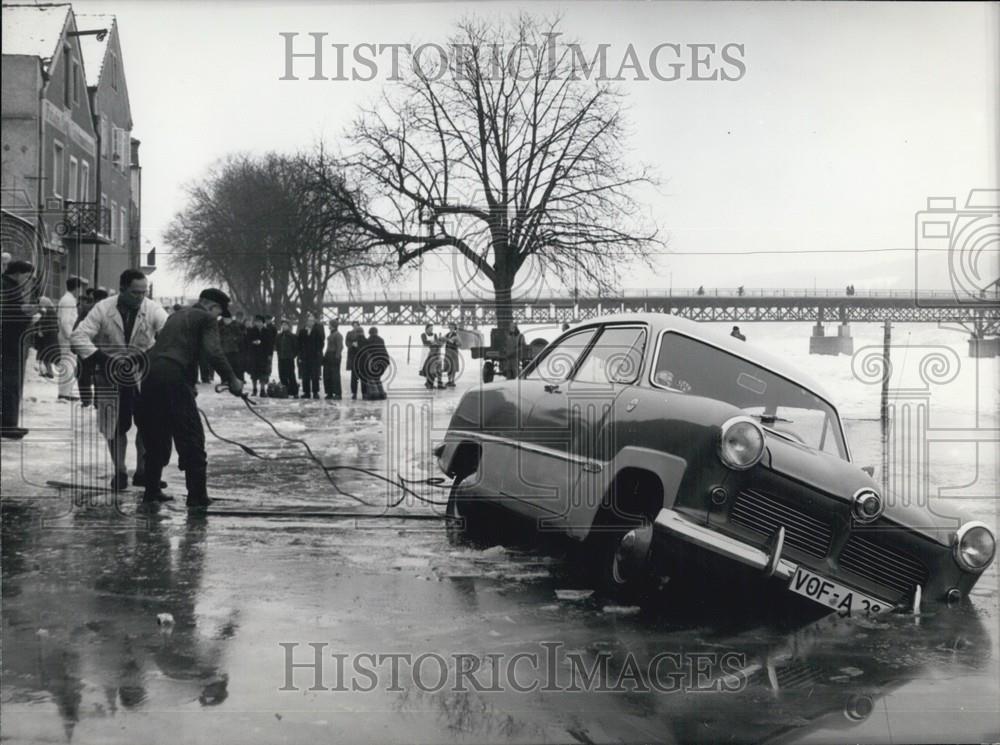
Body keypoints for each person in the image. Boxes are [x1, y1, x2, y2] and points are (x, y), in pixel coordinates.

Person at [136, 289, 243, 510]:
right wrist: (232, 378)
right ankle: (196, 498)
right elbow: (213, 351)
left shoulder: (176, 316)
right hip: (173, 377)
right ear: (210, 306)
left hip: (150, 375)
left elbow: (171, 348)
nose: (218, 318)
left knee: (157, 435)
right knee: (191, 437)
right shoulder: (205, 318)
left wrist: (188, 382)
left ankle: (152, 491)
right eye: (219, 312)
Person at [73, 269, 170, 492]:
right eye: (135, 292)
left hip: (142, 373)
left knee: (147, 424)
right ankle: (120, 471)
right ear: (123, 289)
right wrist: (103, 359)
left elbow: (168, 333)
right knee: (114, 426)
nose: (140, 297)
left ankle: (143, 471)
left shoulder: (152, 309)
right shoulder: (103, 308)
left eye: (143, 292)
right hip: (109, 375)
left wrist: (145, 356)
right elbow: (78, 336)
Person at [1, 260, 38, 439]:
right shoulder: (10, 289)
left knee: (10, 383)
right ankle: (8, 424)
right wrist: (30, 318)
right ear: (17, 273)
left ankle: (9, 423)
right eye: (27, 276)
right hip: (9, 343)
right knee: (10, 383)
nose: (29, 280)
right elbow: (11, 318)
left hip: (9, 342)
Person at [57, 276, 87, 401]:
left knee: (69, 363)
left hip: (67, 335)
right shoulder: (68, 301)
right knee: (68, 363)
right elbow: (65, 321)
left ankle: (66, 391)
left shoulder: (68, 299)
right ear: (77, 288)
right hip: (67, 336)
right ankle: (64, 393)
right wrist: (70, 337)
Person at [296, 312, 324, 399]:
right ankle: (306, 392)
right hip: (304, 357)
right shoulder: (302, 331)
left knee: (315, 375)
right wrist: (300, 355)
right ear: (306, 322)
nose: (310, 322)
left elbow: (321, 343)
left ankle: (315, 392)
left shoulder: (317, 331)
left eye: (312, 321)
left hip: (314, 357)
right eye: (309, 321)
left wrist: (317, 352)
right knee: (305, 375)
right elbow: (299, 344)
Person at [356, 327, 389, 400]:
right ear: (376, 332)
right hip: (385, 360)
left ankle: (375, 394)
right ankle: (381, 394)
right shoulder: (381, 339)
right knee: (377, 377)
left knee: (372, 377)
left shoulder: (369, 340)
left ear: (369, 333)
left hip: (375, 361)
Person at [33, 297, 59, 379]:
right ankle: (46, 371)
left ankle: (49, 372)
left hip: (49, 336)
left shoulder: (49, 311)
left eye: (40, 303)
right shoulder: (50, 310)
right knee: (46, 354)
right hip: (49, 335)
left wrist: (42, 331)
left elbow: (48, 323)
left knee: (47, 354)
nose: (39, 305)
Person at [275, 319, 299, 397]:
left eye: (285, 325)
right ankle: (285, 391)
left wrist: (293, 355)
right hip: (281, 358)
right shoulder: (279, 336)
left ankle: (295, 392)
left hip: (289, 358)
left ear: (289, 326)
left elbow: (296, 347)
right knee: (282, 375)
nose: (284, 326)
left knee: (291, 375)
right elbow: (277, 346)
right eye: (283, 325)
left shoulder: (292, 336)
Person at [247, 315, 269, 397]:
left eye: (260, 322)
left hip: (263, 355)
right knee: (254, 374)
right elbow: (247, 342)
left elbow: (270, 344)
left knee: (263, 373)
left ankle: (262, 390)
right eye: (257, 322)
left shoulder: (267, 331)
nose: (258, 323)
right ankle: (254, 389)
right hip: (254, 355)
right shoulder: (251, 331)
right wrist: (253, 343)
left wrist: (269, 354)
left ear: (263, 323)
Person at [218, 313, 244, 385]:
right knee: (224, 365)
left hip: (233, 349)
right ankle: (224, 380)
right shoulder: (219, 325)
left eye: (228, 319)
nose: (226, 320)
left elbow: (241, 336)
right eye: (225, 318)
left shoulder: (235, 326)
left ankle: (237, 379)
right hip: (223, 349)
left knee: (235, 365)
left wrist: (235, 339)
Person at [323, 320, 344, 400]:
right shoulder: (332, 334)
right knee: (327, 375)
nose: (328, 325)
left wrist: (337, 357)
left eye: (330, 324)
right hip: (329, 355)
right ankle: (330, 392)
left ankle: (337, 393)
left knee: (335, 375)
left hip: (334, 355)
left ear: (333, 325)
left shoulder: (338, 335)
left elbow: (340, 347)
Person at [344, 321, 365, 399]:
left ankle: (363, 393)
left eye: (356, 325)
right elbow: (346, 342)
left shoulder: (361, 332)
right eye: (354, 325)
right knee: (354, 377)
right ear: (352, 326)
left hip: (360, 357)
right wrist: (352, 344)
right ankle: (354, 393)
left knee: (361, 376)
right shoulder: (349, 333)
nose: (355, 326)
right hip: (353, 356)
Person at [420, 324, 443, 389]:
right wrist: (433, 342)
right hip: (425, 351)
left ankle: (429, 382)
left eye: (432, 329)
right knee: (426, 366)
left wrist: (434, 342)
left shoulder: (435, 335)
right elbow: (425, 342)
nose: (431, 330)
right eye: (430, 329)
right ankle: (428, 382)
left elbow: (437, 343)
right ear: (426, 329)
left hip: (433, 352)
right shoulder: (423, 335)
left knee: (431, 367)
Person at [443, 322, 460, 387]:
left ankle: (452, 381)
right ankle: (449, 380)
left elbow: (455, 342)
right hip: (447, 351)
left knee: (453, 367)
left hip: (453, 352)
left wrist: (446, 339)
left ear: (454, 328)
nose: (450, 328)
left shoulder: (456, 334)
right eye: (450, 327)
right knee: (448, 366)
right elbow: (443, 340)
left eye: (452, 327)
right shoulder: (447, 334)